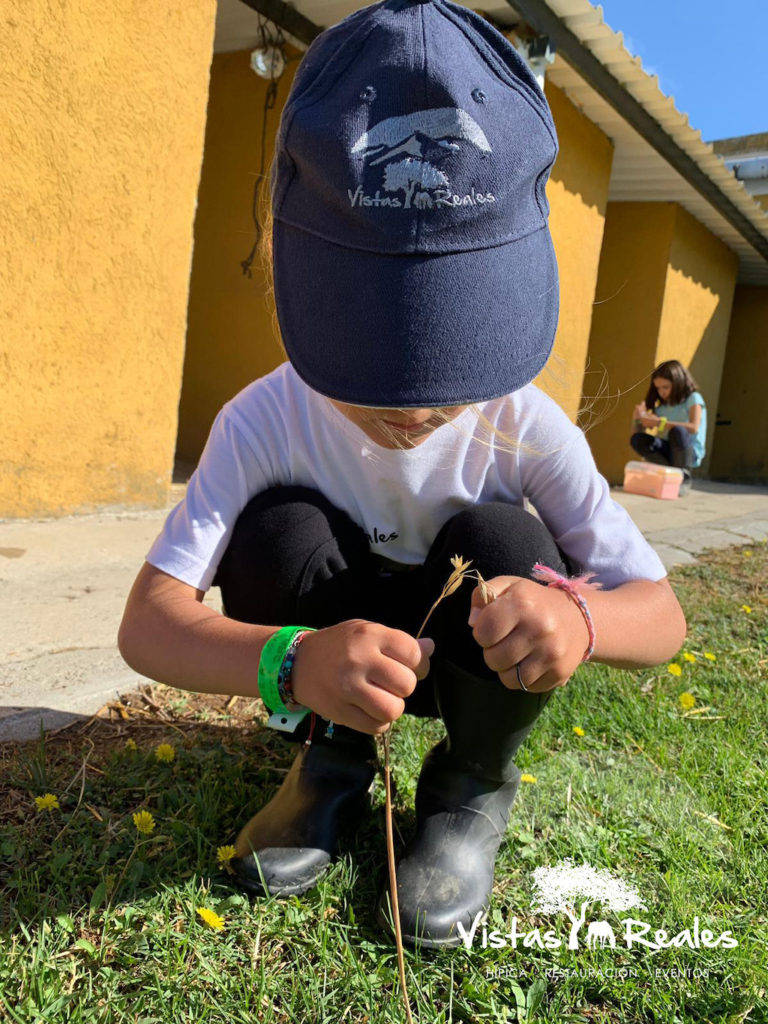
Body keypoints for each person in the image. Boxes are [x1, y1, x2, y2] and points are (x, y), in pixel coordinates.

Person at [118, 0, 687, 949]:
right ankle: (330, 765)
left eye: (455, 352)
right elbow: (148, 623)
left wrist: (579, 621)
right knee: (276, 529)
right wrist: (293, 664)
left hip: (474, 666)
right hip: (335, 674)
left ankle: (469, 789)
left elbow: (660, 615)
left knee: (509, 543)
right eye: (375, 350)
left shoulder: (526, 426)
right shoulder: (264, 418)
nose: (415, 405)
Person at [630, 360, 707, 494]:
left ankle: (683, 477)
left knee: (678, 431)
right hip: (669, 452)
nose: (661, 392)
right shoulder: (661, 408)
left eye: (666, 387)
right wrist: (637, 418)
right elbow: (637, 435)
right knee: (637, 439)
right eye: (658, 388)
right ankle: (669, 473)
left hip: (689, 451)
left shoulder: (693, 398)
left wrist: (661, 423)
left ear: (678, 383)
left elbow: (694, 427)